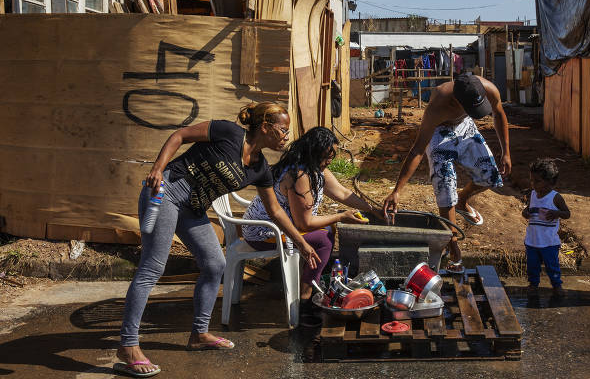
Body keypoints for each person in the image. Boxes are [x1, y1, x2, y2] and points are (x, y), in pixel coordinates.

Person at [116, 102, 321, 378]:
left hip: (193, 209)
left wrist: (302, 242)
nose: (287, 136)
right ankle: (128, 346)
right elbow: (180, 136)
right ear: (265, 127)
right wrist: (157, 168)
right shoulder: (228, 132)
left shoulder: (260, 168)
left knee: (215, 264)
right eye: (283, 130)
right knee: (153, 267)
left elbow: (274, 211)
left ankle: (199, 334)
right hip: (166, 193)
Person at [243, 126, 386, 327]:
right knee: (324, 239)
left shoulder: (314, 169)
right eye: (327, 156)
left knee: (326, 231)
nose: (330, 160)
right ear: (314, 153)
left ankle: (309, 283)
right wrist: (340, 216)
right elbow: (305, 223)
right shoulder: (300, 176)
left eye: (332, 155)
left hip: (277, 227)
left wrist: (372, 209)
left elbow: (343, 193)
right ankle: (305, 301)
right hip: (263, 233)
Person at [383, 72, 512, 273]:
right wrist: (397, 190)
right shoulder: (438, 105)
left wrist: (506, 152)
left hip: (465, 126)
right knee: (445, 186)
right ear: (456, 101)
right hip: (439, 133)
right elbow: (418, 149)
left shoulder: (488, 88)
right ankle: (452, 245)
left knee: (491, 177)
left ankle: (463, 201)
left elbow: (498, 113)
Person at [521, 158, 570, 297]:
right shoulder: (532, 194)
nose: (533, 184)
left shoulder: (555, 198)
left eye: (537, 181)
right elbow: (527, 210)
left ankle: (557, 286)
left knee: (552, 266)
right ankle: (533, 285)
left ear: (550, 182)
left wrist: (556, 213)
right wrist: (526, 212)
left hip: (549, 242)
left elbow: (567, 213)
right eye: (532, 180)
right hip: (532, 240)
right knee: (532, 266)